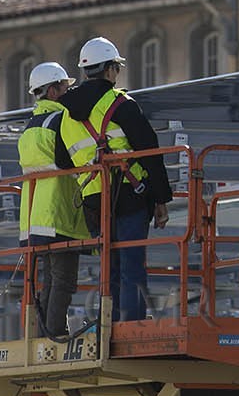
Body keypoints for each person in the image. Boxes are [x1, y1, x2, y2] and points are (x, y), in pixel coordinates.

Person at [58, 37, 172, 323]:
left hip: (94, 200)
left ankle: (109, 322)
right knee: (132, 264)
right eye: (116, 68)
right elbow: (150, 150)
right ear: (109, 69)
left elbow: (62, 160)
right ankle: (131, 325)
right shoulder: (120, 103)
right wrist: (161, 199)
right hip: (130, 193)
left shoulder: (65, 114)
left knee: (109, 265)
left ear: (86, 71)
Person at [18, 62, 87, 339]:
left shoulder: (30, 126)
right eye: (64, 87)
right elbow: (70, 160)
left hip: (34, 216)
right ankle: (55, 332)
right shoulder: (61, 121)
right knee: (64, 280)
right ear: (52, 91)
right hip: (58, 212)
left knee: (49, 279)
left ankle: (44, 333)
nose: (68, 92)